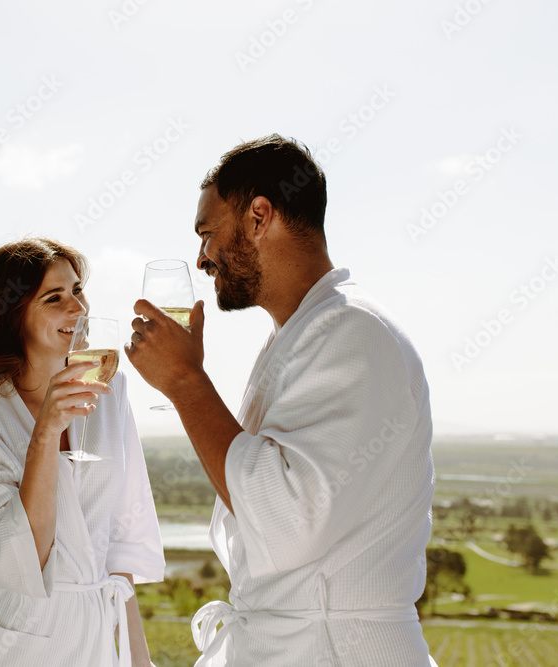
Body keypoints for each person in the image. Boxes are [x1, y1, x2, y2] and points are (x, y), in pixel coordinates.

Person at [126, 135, 436, 666]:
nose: (201, 259)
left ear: (258, 216)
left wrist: (185, 383)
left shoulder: (352, 333)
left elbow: (288, 520)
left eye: (207, 233)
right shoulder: (304, 333)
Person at [0, 238, 165, 667]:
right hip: (6, 642)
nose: (77, 308)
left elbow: (120, 544)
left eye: (77, 290)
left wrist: (139, 660)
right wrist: (45, 433)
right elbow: (18, 557)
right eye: (54, 297)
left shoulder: (109, 394)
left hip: (93, 639)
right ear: (12, 313)